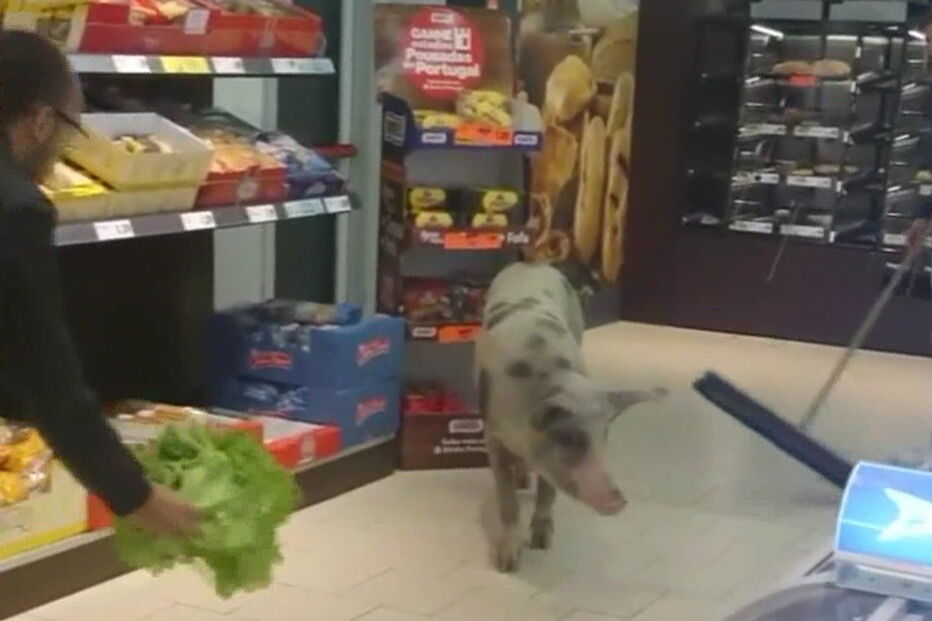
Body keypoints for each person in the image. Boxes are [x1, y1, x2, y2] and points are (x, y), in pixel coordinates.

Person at [0, 31, 199, 534]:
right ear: (40, 121)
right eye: (70, 130)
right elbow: (47, 376)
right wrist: (135, 495)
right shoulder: (15, 207)